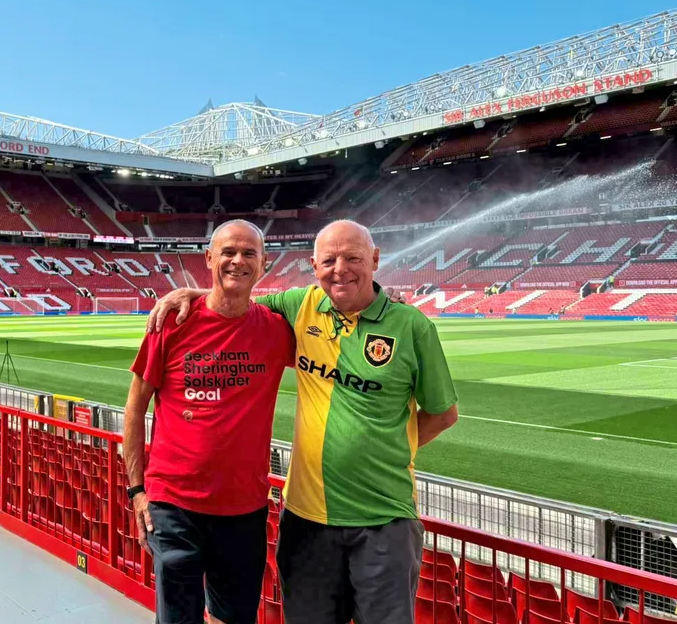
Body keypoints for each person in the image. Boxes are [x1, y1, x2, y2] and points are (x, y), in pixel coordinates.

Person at [148, 219, 459, 624]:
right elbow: (235, 300)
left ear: (375, 260)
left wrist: (392, 449)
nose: (340, 269)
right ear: (313, 265)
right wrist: (195, 292)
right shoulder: (301, 305)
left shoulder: (413, 326)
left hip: (385, 518)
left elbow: (443, 413)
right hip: (306, 518)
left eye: (353, 258)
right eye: (329, 260)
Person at [124, 219, 295, 624]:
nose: (238, 261)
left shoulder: (276, 331)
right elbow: (134, 410)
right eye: (228, 253)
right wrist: (136, 491)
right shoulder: (172, 323)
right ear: (209, 259)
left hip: (244, 506)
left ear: (264, 263)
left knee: (233, 618)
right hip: (173, 505)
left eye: (249, 253)